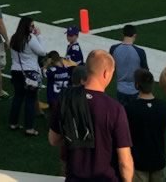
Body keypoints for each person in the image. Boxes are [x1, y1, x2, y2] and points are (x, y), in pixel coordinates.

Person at [48, 50, 134, 182]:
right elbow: (125, 161)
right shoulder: (115, 109)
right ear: (106, 73)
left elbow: (53, 139)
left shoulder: (66, 97)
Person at [125, 69, 166, 182]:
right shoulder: (163, 107)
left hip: (138, 161)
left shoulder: (130, 108)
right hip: (158, 159)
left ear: (137, 85)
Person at [8, 15, 46, 135]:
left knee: (18, 97)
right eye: (32, 25)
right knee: (30, 99)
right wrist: (39, 35)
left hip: (15, 71)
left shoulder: (14, 38)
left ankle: (13, 123)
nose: (33, 28)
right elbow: (42, 52)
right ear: (27, 27)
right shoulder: (30, 38)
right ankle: (29, 127)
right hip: (30, 73)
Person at [111, 25, 148, 107]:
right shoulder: (140, 52)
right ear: (134, 35)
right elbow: (146, 72)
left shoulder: (114, 49)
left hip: (120, 89)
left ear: (123, 34)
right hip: (135, 90)